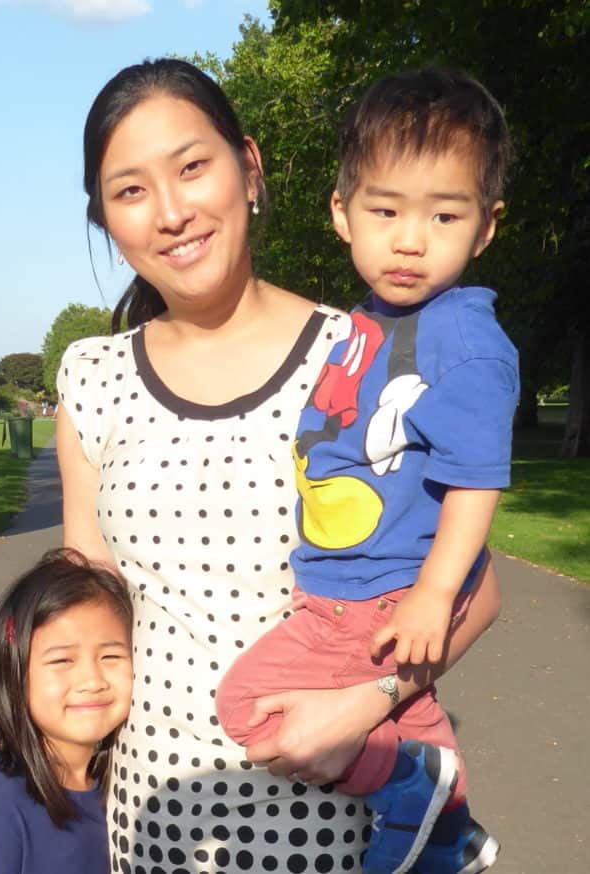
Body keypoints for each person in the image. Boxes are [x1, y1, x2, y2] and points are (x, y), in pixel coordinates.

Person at [0, 59, 505, 874]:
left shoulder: (365, 354)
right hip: (151, 823)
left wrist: (365, 707)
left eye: (192, 167)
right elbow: (77, 601)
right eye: (131, 191)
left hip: (333, 823)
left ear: (251, 168)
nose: (170, 213)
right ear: (105, 219)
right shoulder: (93, 379)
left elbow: (475, 587)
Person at [215, 68, 518, 874]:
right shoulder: (370, 325)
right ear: (343, 213)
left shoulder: (463, 339)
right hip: (344, 592)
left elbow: (475, 480)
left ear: (484, 228)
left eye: (443, 215)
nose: (411, 240)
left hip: (378, 601)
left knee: (243, 704)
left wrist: (431, 594)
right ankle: (446, 820)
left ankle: (415, 795)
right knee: (410, 726)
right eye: (386, 211)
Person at [0, 548, 133, 874]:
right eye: (62, 661)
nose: (92, 680)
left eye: (111, 657)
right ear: (13, 674)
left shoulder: (126, 779)